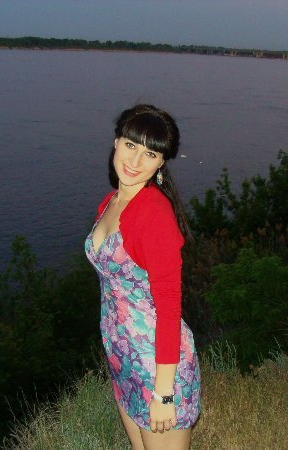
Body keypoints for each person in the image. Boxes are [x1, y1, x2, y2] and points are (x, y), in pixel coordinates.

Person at [85, 104, 201, 450]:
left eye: (150, 153)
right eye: (131, 145)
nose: (135, 161)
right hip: (124, 357)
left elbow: (169, 306)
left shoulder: (154, 213)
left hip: (157, 367)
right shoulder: (111, 202)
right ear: (116, 142)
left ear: (161, 163)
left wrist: (164, 393)